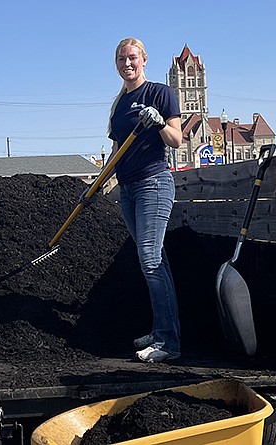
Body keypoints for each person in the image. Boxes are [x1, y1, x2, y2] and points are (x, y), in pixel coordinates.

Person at [100, 37, 182, 363]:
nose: (127, 63)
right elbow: (115, 153)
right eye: (121, 59)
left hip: (154, 184)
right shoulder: (119, 105)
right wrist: (95, 188)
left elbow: (176, 139)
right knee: (153, 260)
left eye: (132, 57)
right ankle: (163, 327)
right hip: (128, 189)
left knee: (150, 259)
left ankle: (168, 342)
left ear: (144, 59)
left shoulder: (161, 93)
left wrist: (159, 121)